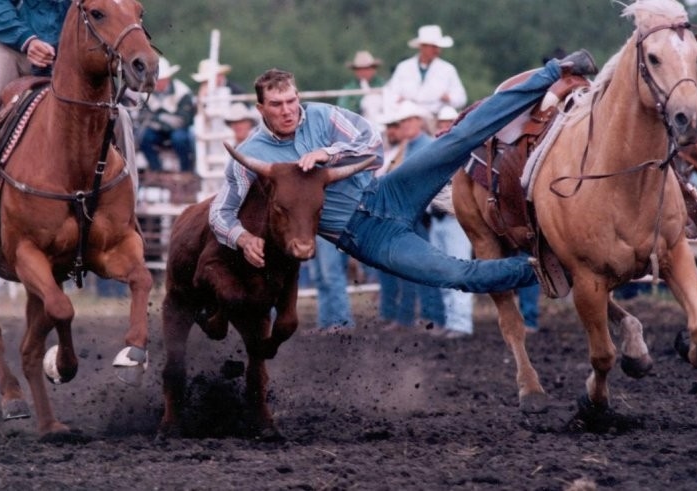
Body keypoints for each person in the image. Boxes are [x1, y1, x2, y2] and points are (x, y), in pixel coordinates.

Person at [209, 51, 598, 301]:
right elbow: (220, 214)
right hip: (363, 236)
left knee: (459, 138)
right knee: (454, 273)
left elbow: (374, 146)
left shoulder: (322, 116)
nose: (289, 110)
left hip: (385, 193)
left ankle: (555, 71)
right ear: (260, 108)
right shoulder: (251, 155)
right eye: (277, 104)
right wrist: (241, 237)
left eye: (292, 100)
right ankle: (557, 267)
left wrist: (328, 152)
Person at [0, 0, 138, 241]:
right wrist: (27, 40)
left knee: (118, 116)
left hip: (68, 54)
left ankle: (129, 211)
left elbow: (107, 11)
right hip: (11, 49)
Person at [376, 101, 443, 331]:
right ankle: (421, 316)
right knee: (415, 267)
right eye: (401, 121)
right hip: (412, 215)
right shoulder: (414, 145)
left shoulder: (422, 146)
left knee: (421, 267)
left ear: (417, 121)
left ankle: (429, 315)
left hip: (416, 215)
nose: (402, 125)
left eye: (405, 120)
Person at [423, 105, 475, 339]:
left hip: (456, 219)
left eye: (448, 122)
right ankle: (451, 321)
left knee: (458, 269)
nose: (444, 126)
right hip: (437, 217)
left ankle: (462, 323)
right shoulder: (436, 150)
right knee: (443, 272)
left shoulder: (465, 152)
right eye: (441, 122)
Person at [384, 25, 467, 119]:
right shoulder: (404, 67)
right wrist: (398, 102)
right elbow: (391, 93)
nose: (437, 51)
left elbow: (461, 98)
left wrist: (449, 98)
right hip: (408, 116)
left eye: (437, 47)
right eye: (433, 47)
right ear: (422, 47)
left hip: (436, 116)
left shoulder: (448, 69)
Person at [136, 56, 196, 173]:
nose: (157, 83)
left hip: (177, 130)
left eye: (160, 79)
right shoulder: (145, 92)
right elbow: (142, 115)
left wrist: (157, 120)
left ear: (168, 78)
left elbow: (185, 119)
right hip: (158, 129)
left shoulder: (182, 92)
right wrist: (163, 119)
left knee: (179, 138)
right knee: (144, 137)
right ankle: (156, 170)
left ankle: (186, 170)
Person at [337, 50, 386, 122]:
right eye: (360, 69)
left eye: (367, 69)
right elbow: (344, 109)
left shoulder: (383, 85)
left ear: (373, 69)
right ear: (355, 71)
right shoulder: (349, 89)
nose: (364, 72)